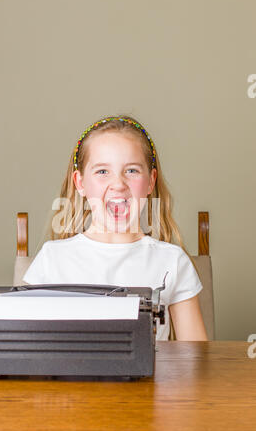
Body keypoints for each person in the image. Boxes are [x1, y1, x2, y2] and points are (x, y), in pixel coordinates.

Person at [23, 115, 208, 341]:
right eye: (102, 171)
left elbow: (197, 361)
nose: (118, 184)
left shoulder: (172, 261)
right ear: (80, 183)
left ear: (151, 181)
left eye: (131, 171)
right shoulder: (52, 259)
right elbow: (28, 348)